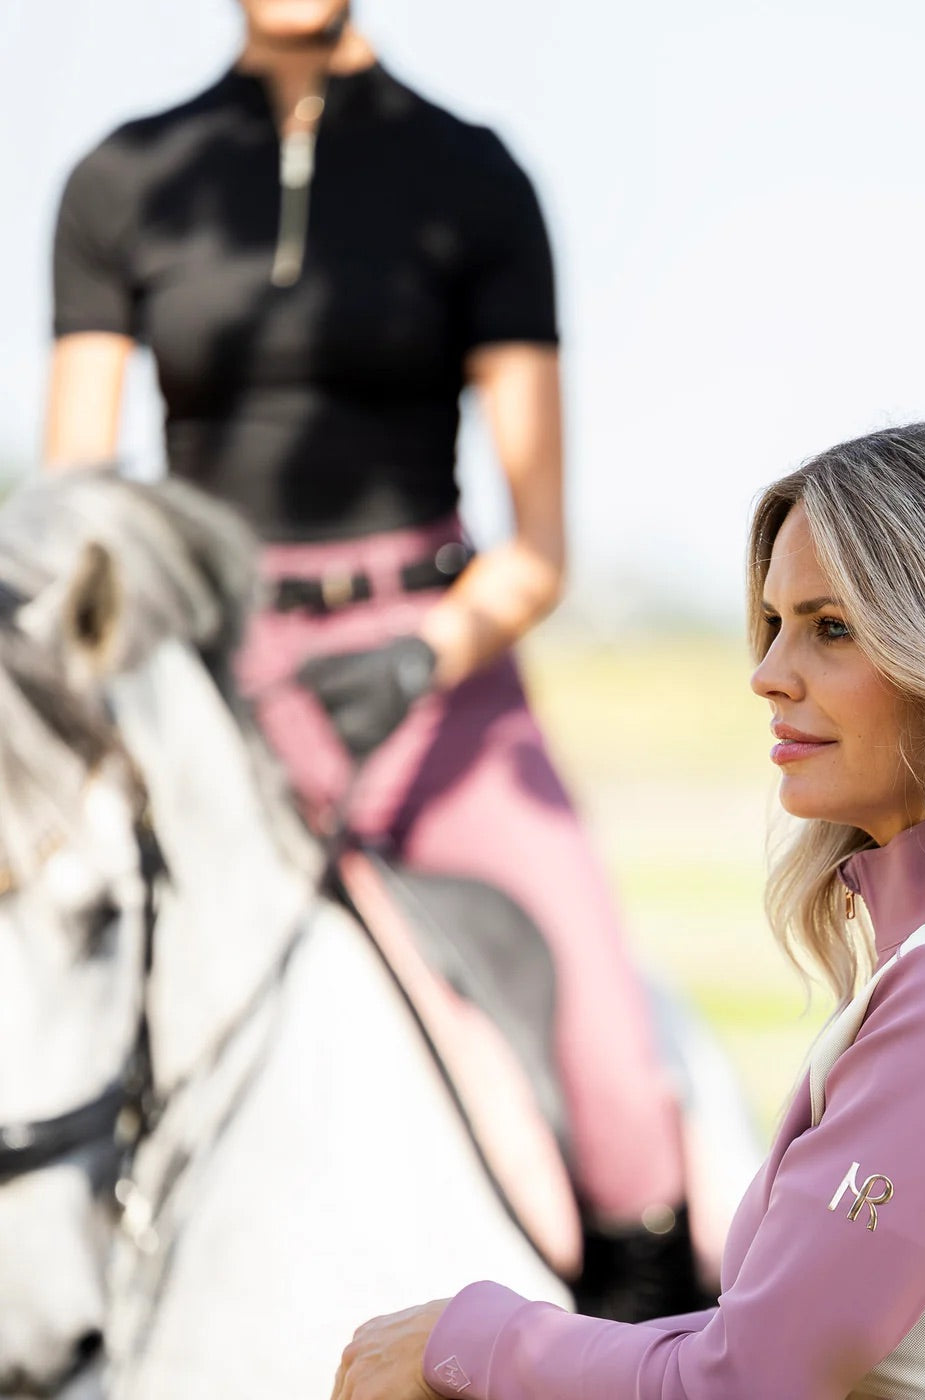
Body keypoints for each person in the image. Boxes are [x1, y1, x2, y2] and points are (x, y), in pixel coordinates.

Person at [328, 421, 925, 1400]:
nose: (767, 672)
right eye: (775, 622)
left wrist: (471, 1337)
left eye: (830, 627)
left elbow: (747, 1378)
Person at [44, 0, 699, 1319]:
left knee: (614, 1064)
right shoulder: (121, 178)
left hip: (434, 669)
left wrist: (418, 658)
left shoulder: (473, 176)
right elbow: (79, 513)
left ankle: (653, 1327)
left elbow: (540, 548)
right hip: (200, 674)